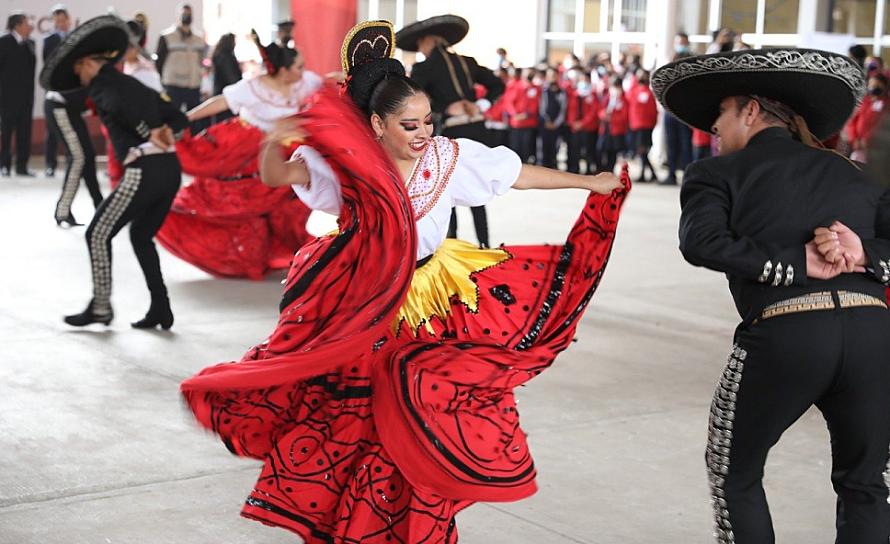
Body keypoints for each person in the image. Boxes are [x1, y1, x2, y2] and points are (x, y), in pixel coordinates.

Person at [181, 20, 628, 544]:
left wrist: (588, 182)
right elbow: (278, 178)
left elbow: (518, 174)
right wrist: (274, 140)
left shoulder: (445, 157)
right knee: (358, 416)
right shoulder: (343, 165)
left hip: (428, 296)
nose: (423, 134)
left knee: (421, 413)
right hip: (364, 298)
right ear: (375, 124)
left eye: (427, 122)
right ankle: (354, 518)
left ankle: (416, 521)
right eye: (410, 125)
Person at [653, 47, 890, 543]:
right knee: (865, 483)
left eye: (720, 113)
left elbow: (700, 242)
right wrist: (863, 253)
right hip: (874, 337)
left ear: (751, 110)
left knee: (734, 472)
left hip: (788, 333)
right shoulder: (854, 172)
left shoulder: (713, 173)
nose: (713, 128)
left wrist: (789, 261)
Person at [41, 15, 188, 329]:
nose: (79, 77)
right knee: (140, 235)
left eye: (78, 70)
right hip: (170, 171)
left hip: (143, 172)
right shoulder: (132, 82)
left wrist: (147, 132)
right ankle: (161, 308)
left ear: (88, 64)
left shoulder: (102, 86)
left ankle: (101, 308)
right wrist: (166, 132)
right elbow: (178, 117)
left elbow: (120, 108)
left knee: (97, 234)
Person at [154, 30, 320, 280]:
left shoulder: (306, 81)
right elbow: (221, 102)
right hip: (247, 156)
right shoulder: (251, 87)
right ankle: (248, 259)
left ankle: (286, 255)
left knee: (287, 212)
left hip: (287, 156)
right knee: (242, 212)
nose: (303, 71)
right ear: (283, 70)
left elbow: (327, 83)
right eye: (298, 67)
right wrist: (184, 119)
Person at [397, 14, 505, 248]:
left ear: (430, 41)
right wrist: (481, 104)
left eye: (421, 44)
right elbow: (498, 84)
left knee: (445, 190)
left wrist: (446, 109)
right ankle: (485, 247)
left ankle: (450, 246)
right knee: (477, 190)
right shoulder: (468, 61)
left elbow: (416, 101)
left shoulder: (423, 68)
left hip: (450, 134)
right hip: (477, 131)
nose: (420, 49)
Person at [155, 4, 206, 120]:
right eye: (184, 14)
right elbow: (159, 62)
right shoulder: (167, 36)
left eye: (189, 14)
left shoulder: (199, 38)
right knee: (172, 119)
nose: (186, 17)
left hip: (193, 85)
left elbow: (201, 61)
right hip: (173, 86)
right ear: (178, 15)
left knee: (195, 120)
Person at [0, 11, 36, 177]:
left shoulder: (30, 44)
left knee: (24, 132)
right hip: (7, 98)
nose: (29, 25)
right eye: (26, 22)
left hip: (26, 98)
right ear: (18, 25)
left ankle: (22, 166)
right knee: (6, 132)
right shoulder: (4, 42)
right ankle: (4, 165)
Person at [42, 4, 71, 177]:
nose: (60, 24)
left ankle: (72, 161)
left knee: (72, 129)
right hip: (54, 90)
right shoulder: (49, 40)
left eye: (63, 20)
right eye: (57, 21)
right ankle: (50, 164)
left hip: (72, 90)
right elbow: (47, 66)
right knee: (51, 129)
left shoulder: (76, 37)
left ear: (68, 19)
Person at [846, 72, 888, 162]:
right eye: (872, 85)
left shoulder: (887, 105)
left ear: (884, 86)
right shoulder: (864, 101)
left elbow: (883, 125)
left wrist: (867, 140)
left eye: (878, 85)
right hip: (857, 146)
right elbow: (852, 121)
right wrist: (853, 138)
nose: (874, 87)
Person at [627, 69, 658, 182]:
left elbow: (652, 112)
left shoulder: (647, 93)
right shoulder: (635, 91)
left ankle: (646, 173)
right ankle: (650, 173)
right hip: (637, 125)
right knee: (641, 151)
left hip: (643, 126)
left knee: (642, 150)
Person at [209, 32, 240, 123]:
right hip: (226, 95)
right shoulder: (226, 57)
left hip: (219, 92)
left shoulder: (218, 55)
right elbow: (231, 78)